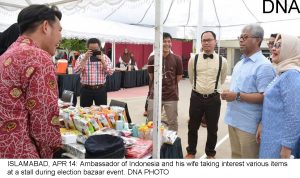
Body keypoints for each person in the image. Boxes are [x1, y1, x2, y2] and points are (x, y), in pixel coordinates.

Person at [0, 5, 63, 158]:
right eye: (59, 30)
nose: (60, 37)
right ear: (46, 26)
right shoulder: (39, 58)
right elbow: (44, 124)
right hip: (22, 153)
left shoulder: (6, 55)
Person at [221, 24, 276, 158]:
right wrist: (231, 93)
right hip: (233, 120)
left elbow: (265, 97)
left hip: (249, 125)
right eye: (240, 37)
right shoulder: (240, 63)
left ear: (257, 40)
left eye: (245, 37)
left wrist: (236, 95)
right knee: (236, 158)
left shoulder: (264, 66)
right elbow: (239, 89)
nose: (241, 40)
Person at [185, 31, 228, 159]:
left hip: (213, 98)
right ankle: (191, 151)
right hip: (196, 97)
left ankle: (210, 153)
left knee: (212, 128)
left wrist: (212, 89)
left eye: (209, 40)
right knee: (192, 126)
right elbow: (191, 78)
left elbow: (222, 79)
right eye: (204, 40)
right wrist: (199, 89)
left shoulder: (222, 61)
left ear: (215, 41)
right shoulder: (194, 59)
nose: (206, 42)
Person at [258, 34, 300, 158]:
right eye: (274, 45)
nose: (274, 49)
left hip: (279, 142)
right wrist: (262, 124)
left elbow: (294, 115)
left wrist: (287, 147)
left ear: (290, 49)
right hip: (271, 136)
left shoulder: (291, 75)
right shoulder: (282, 72)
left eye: (279, 45)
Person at [147, 32, 183, 131]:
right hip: (154, 95)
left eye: (169, 41)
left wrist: (169, 85)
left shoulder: (177, 59)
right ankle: (151, 143)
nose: (167, 44)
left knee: (172, 122)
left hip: (171, 96)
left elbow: (178, 77)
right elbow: (151, 77)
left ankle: (172, 144)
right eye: (164, 41)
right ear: (159, 42)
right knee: (150, 121)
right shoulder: (152, 59)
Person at [74, 38, 113, 107]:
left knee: (102, 112)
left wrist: (103, 61)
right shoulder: (82, 57)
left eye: (96, 50)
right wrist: (85, 59)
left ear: (100, 47)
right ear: (87, 48)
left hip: (100, 89)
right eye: (91, 50)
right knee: (84, 113)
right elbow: (76, 71)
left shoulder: (105, 57)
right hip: (85, 89)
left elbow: (110, 72)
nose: (94, 52)